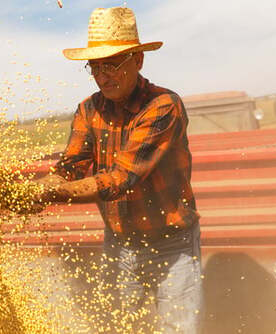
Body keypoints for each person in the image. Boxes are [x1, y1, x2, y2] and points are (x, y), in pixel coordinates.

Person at [36, 7, 202, 333]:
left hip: (171, 243)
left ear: (138, 60)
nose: (102, 76)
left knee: (178, 327)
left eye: (111, 64)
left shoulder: (163, 106)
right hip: (120, 243)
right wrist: (36, 187)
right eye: (95, 67)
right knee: (118, 327)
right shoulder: (88, 109)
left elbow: (123, 179)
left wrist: (52, 192)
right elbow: (71, 166)